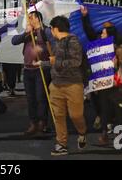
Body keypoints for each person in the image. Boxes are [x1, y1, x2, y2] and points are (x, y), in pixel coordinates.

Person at [80, 6, 122, 143]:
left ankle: (119, 136)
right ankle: (104, 132)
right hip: (102, 81)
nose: (101, 35)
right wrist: (85, 16)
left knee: (118, 107)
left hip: (115, 81)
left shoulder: (118, 45)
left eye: (103, 33)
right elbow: (88, 31)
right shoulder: (97, 42)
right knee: (104, 107)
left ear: (109, 34)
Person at [34, 16, 87, 156]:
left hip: (73, 84)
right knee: (58, 116)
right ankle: (61, 143)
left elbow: (75, 62)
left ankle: (82, 132)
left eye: (51, 28)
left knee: (76, 115)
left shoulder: (73, 41)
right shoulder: (56, 42)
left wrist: (54, 62)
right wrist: (42, 63)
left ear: (55, 28)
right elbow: (54, 62)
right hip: (56, 84)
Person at [11, 11, 54, 135]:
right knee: (30, 98)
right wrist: (26, 32)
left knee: (41, 97)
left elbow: (54, 45)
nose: (29, 20)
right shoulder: (28, 32)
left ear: (37, 18)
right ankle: (33, 122)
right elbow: (14, 41)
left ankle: (42, 122)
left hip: (41, 68)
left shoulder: (45, 31)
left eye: (31, 17)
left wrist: (42, 49)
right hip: (28, 69)